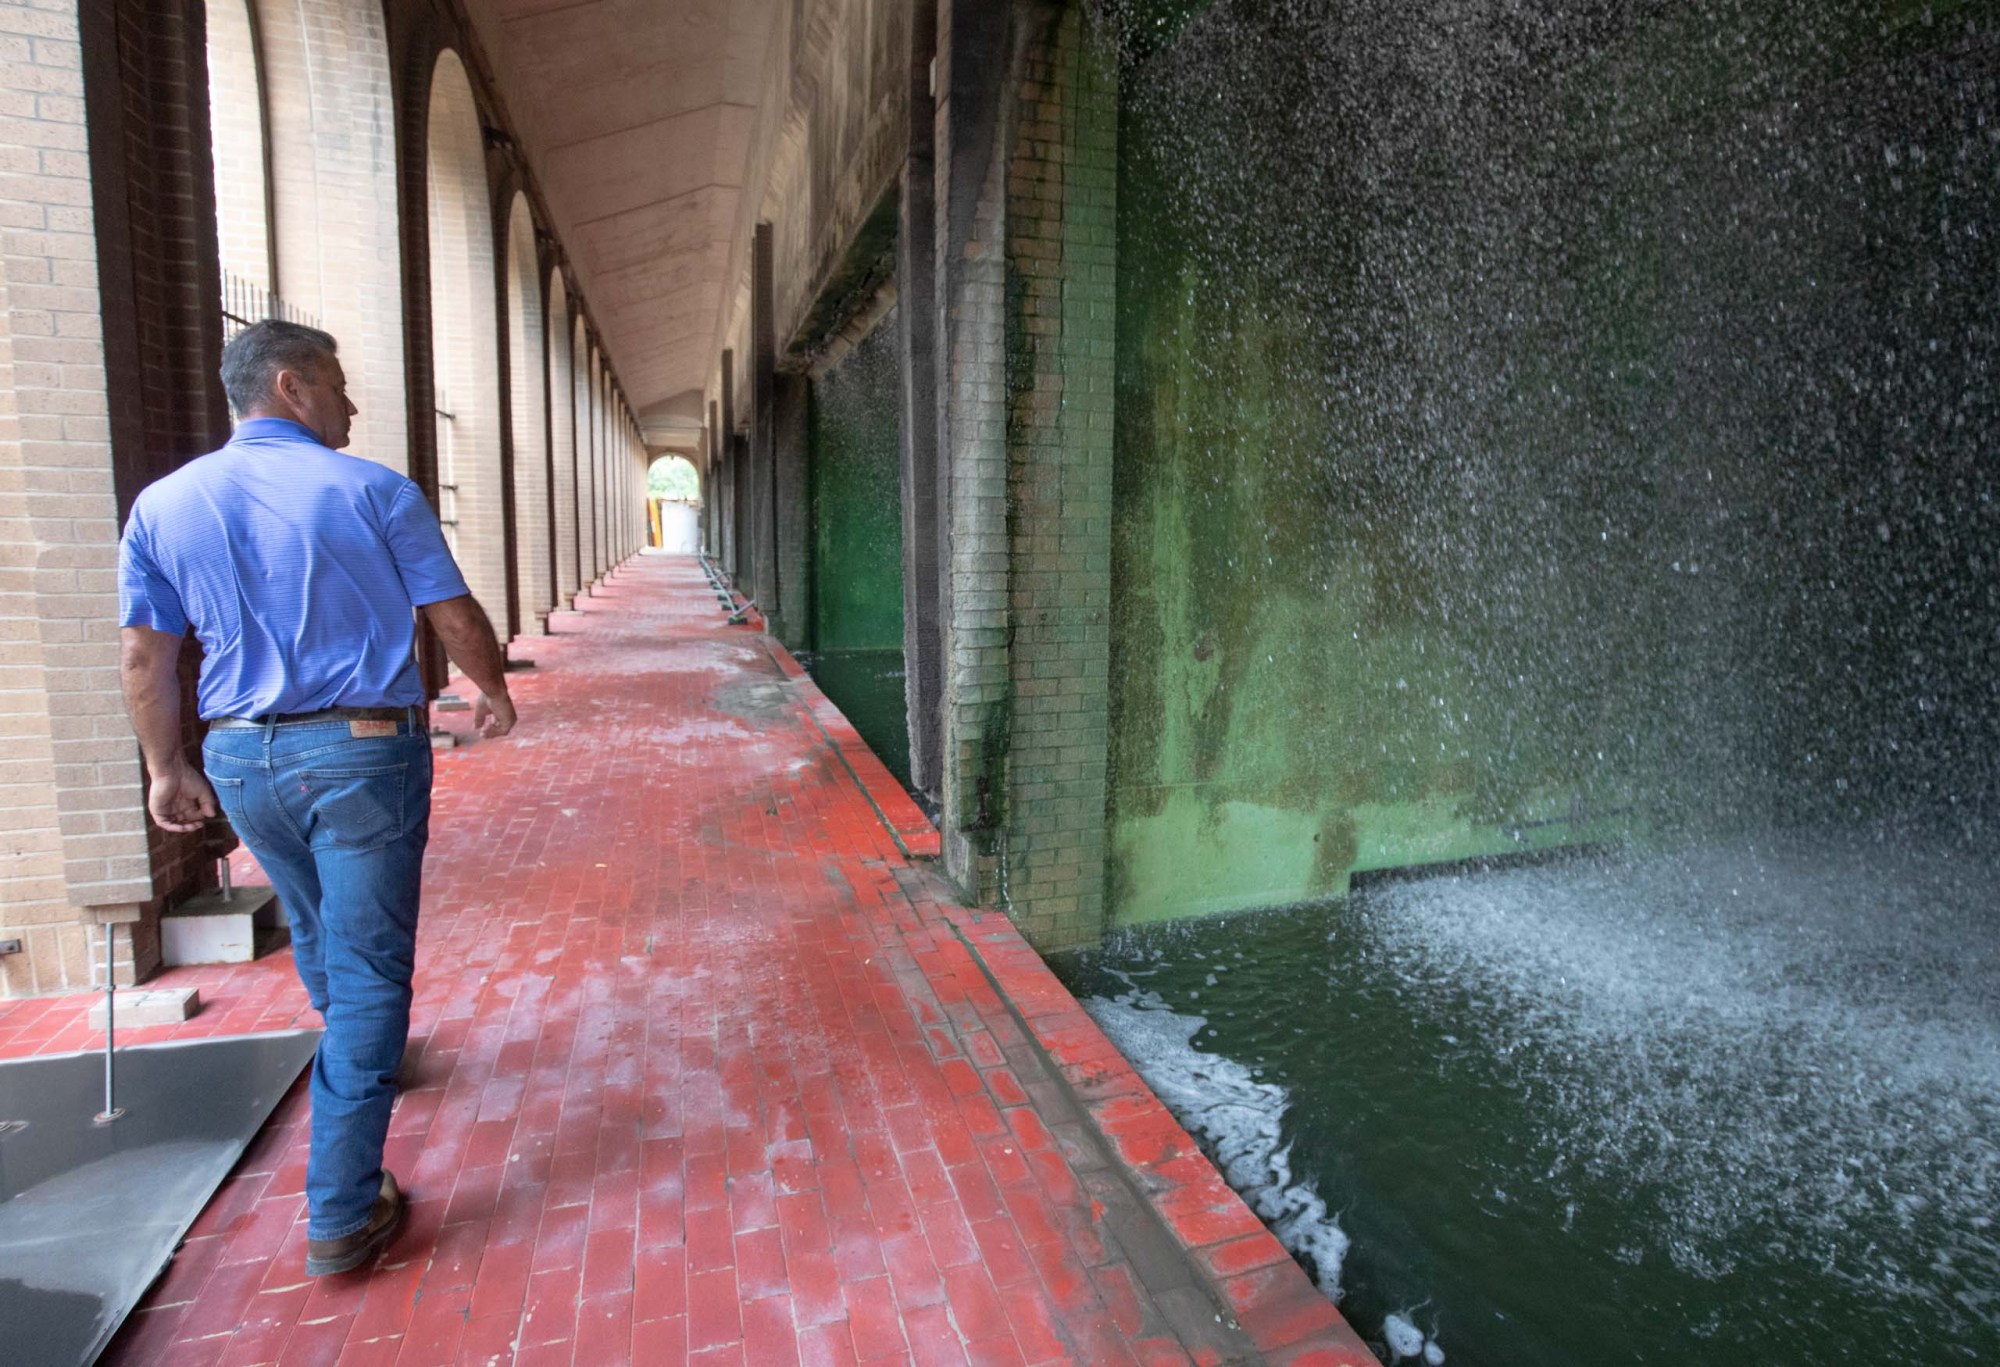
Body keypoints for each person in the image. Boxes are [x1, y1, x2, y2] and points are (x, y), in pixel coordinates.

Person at [117, 320, 517, 1276]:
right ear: (291, 386)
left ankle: (364, 1055)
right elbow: (451, 610)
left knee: (313, 926)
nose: (351, 404)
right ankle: (342, 1207)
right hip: (362, 750)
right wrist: (492, 688)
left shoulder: (164, 505)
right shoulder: (373, 488)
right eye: (338, 384)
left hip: (244, 759)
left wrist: (165, 768)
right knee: (375, 968)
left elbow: (145, 654)